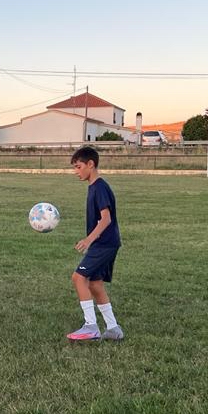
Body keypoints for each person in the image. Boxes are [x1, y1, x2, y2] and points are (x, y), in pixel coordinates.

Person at [66, 146, 124, 342]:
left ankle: (91, 326)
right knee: (96, 284)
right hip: (106, 243)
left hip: (104, 243)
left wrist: (89, 239)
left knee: (78, 277)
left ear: (91, 164)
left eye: (78, 166)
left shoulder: (99, 187)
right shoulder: (94, 186)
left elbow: (106, 219)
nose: (76, 171)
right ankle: (113, 328)